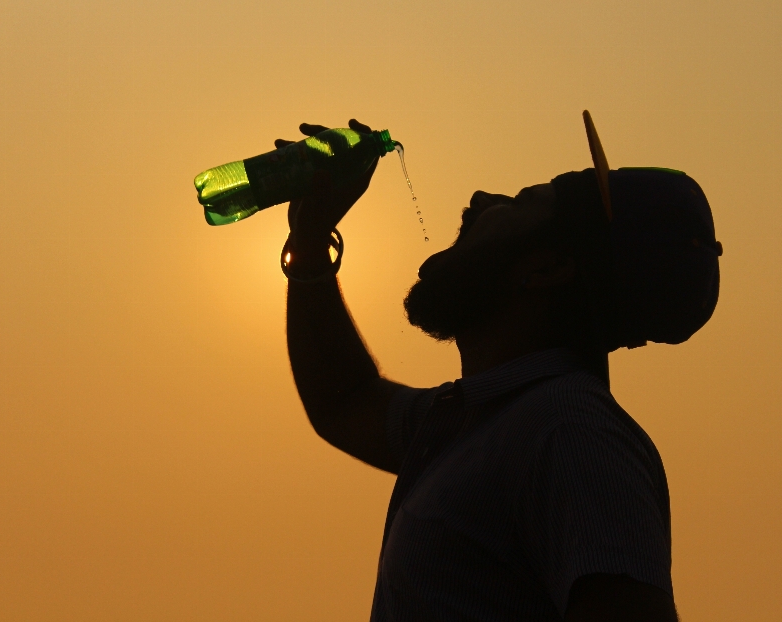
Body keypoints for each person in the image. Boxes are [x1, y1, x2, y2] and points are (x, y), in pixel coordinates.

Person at [276, 113, 722, 621]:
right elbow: (345, 400)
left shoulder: (574, 435)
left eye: (519, 203)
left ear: (546, 268)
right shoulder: (484, 420)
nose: (484, 199)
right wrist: (310, 241)